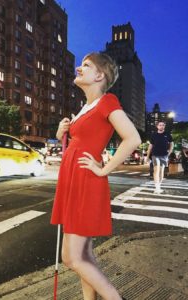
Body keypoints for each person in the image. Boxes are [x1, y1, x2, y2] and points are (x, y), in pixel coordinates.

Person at [50, 52, 141, 300]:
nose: (79, 68)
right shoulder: (84, 108)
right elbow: (77, 142)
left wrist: (103, 169)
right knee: (85, 255)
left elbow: (132, 138)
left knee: (70, 257)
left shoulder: (107, 101)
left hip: (85, 181)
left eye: (86, 65)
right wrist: (61, 134)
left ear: (99, 75)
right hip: (73, 180)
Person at [146, 122, 173, 193]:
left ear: (164, 126)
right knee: (156, 170)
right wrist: (147, 156)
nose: (162, 126)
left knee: (161, 171)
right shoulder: (154, 135)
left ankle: (159, 185)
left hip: (164, 155)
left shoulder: (168, 134)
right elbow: (150, 146)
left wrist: (169, 153)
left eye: (163, 125)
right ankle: (157, 188)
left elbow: (172, 144)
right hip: (155, 155)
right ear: (157, 126)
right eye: (160, 125)